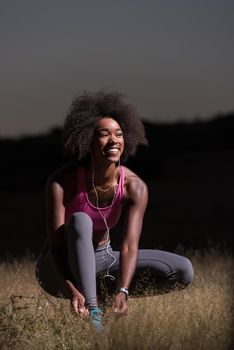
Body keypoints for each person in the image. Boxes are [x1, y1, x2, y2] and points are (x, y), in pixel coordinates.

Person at [35, 90, 194, 331]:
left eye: (118, 134)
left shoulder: (134, 186)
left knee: (183, 270)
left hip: (103, 259)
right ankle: (94, 314)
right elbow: (56, 248)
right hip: (58, 268)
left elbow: (130, 246)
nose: (113, 140)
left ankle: (104, 297)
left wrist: (123, 290)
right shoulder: (62, 182)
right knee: (80, 220)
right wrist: (73, 291)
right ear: (87, 139)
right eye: (104, 134)